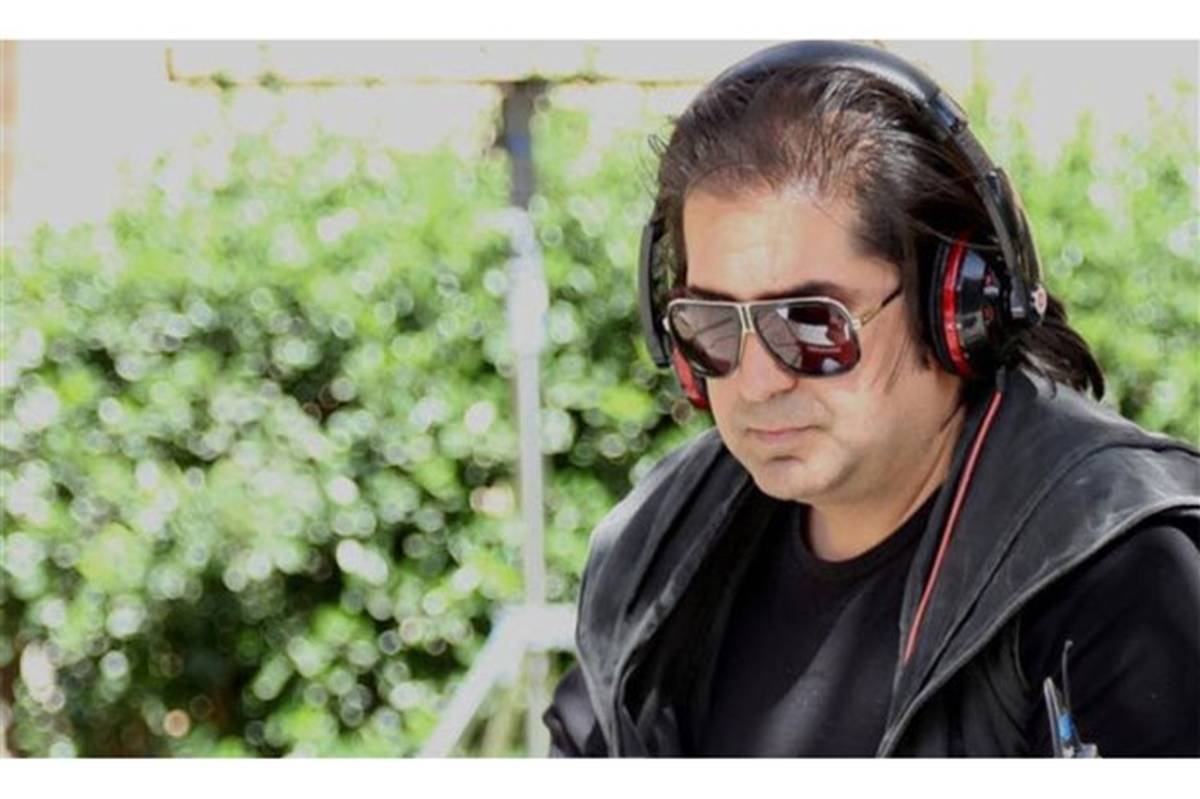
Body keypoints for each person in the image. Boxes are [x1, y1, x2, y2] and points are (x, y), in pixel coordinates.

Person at [539, 41, 1200, 757]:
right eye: (711, 325)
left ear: (956, 308)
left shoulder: (1120, 571)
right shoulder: (652, 552)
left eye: (811, 324)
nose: (757, 381)